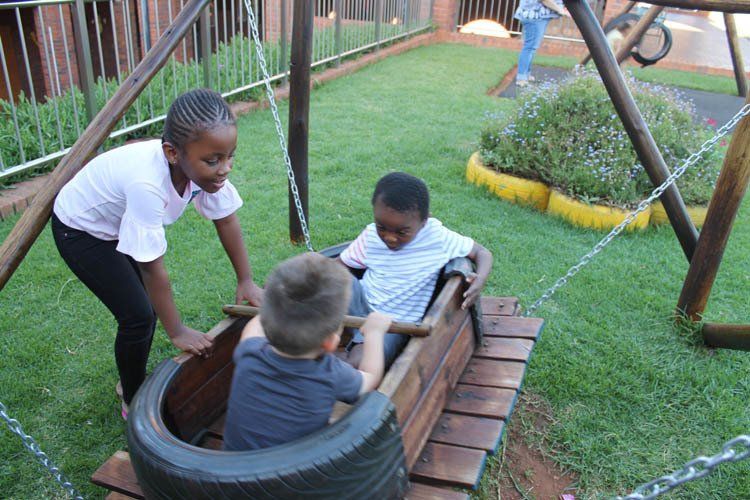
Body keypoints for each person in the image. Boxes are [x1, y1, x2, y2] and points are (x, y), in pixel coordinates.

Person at [51, 88, 263, 419]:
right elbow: (152, 269)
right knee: (138, 315)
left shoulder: (202, 174)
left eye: (230, 156)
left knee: (146, 308)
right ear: (172, 153)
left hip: (118, 223)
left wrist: (246, 280)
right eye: (213, 160)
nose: (225, 169)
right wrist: (176, 330)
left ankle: (130, 382)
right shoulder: (147, 185)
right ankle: (132, 398)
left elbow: (226, 220)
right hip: (81, 228)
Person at [222, 253, 391, 451]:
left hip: (233, 465)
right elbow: (370, 379)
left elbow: (257, 324)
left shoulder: (249, 352)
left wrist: (278, 305)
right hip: (292, 473)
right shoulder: (329, 374)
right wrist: (374, 333)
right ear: (330, 344)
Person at [338, 172, 493, 367]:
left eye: (402, 232)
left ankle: (330, 365)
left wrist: (480, 279)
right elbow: (340, 266)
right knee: (333, 275)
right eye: (382, 227)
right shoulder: (370, 236)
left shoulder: (437, 238)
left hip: (394, 325)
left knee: (361, 361)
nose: (389, 237)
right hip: (360, 308)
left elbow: (482, 252)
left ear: (423, 222)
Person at [514, 0, 569, 87]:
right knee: (529, 47)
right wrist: (560, 10)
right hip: (535, 17)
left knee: (531, 47)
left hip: (535, 16)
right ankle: (521, 78)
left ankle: (526, 74)